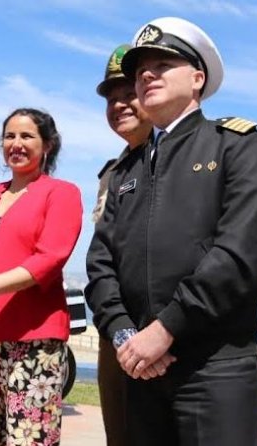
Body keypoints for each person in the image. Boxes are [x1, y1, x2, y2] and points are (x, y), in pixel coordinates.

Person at [85, 17, 257, 446]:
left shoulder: (237, 146)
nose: (147, 75)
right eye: (140, 71)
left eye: (162, 64)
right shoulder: (127, 170)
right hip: (140, 367)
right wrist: (125, 336)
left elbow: (239, 255)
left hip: (214, 367)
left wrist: (165, 329)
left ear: (197, 78)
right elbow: (100, 267)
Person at [0, 108, 82, 445]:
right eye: (10, 136)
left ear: (47, 145)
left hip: (33, 338)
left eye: (27, 136)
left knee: (29, 436)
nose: (16, 144)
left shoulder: (60, 192)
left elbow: (49, 258)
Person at [90, 43, 152, 445]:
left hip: (166, 333)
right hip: (116, 335)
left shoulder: (190, 159)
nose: (119, 105)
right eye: (111, 98)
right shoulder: (111, 173)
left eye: (128, 93)